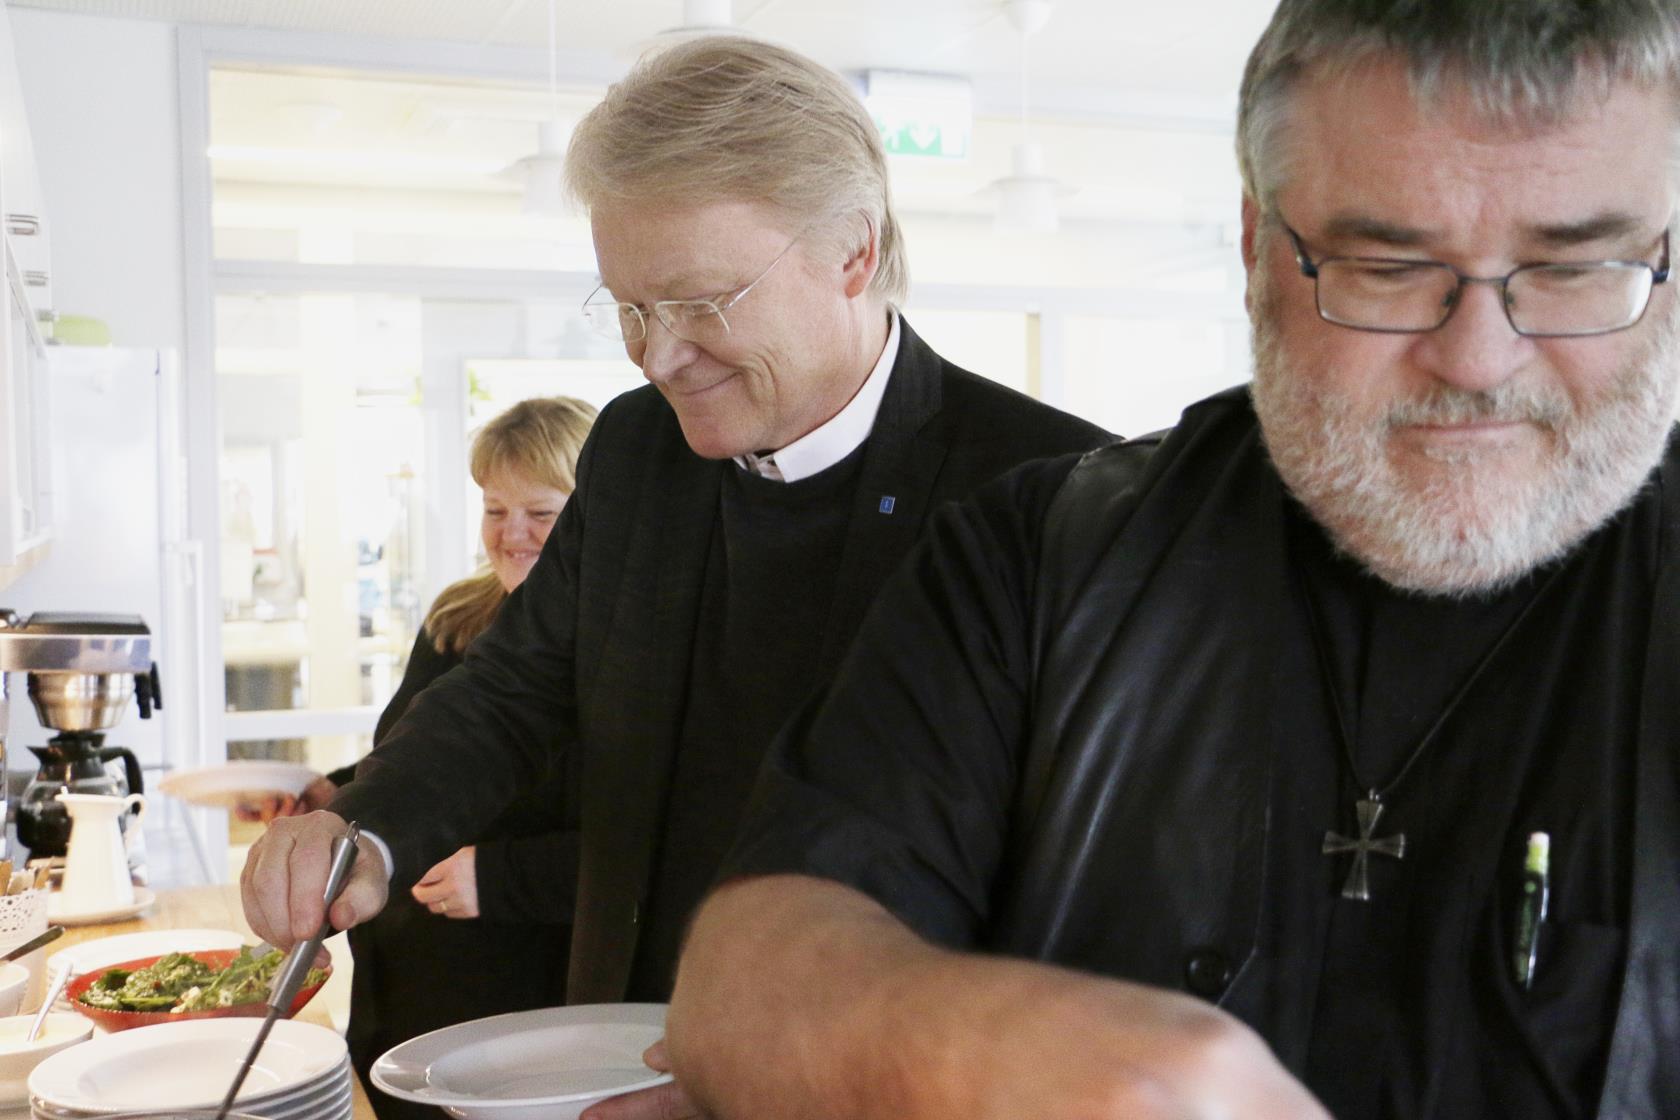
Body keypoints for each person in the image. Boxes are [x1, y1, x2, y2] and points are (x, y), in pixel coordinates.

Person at [663, 2, 1680, 1118]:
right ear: (1255, 247)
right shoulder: (1038, 557)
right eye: (1386, 267)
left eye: (1577, 269)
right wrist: (963, 1048)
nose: (1480, 361)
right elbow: (744, 982)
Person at [237, 32, 1111, 1117]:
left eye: (702, 301)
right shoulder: (639, 448)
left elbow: (1079, 885)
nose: (657, 355)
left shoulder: (1053, 486)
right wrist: (367, 831)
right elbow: (516, 688)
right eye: (631, 307)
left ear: (852, 251)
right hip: (614, 1054)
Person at [279, 396, 596, 1120]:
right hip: (403, 981)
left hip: (521, 1006)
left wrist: (504, 876)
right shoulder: (458, 617)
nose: (512, 535)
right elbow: (419, 757)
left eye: (540, 514)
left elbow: (647, 847)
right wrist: (335, 796)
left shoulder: (623, 657)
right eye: (494, 509)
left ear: (589, 520)